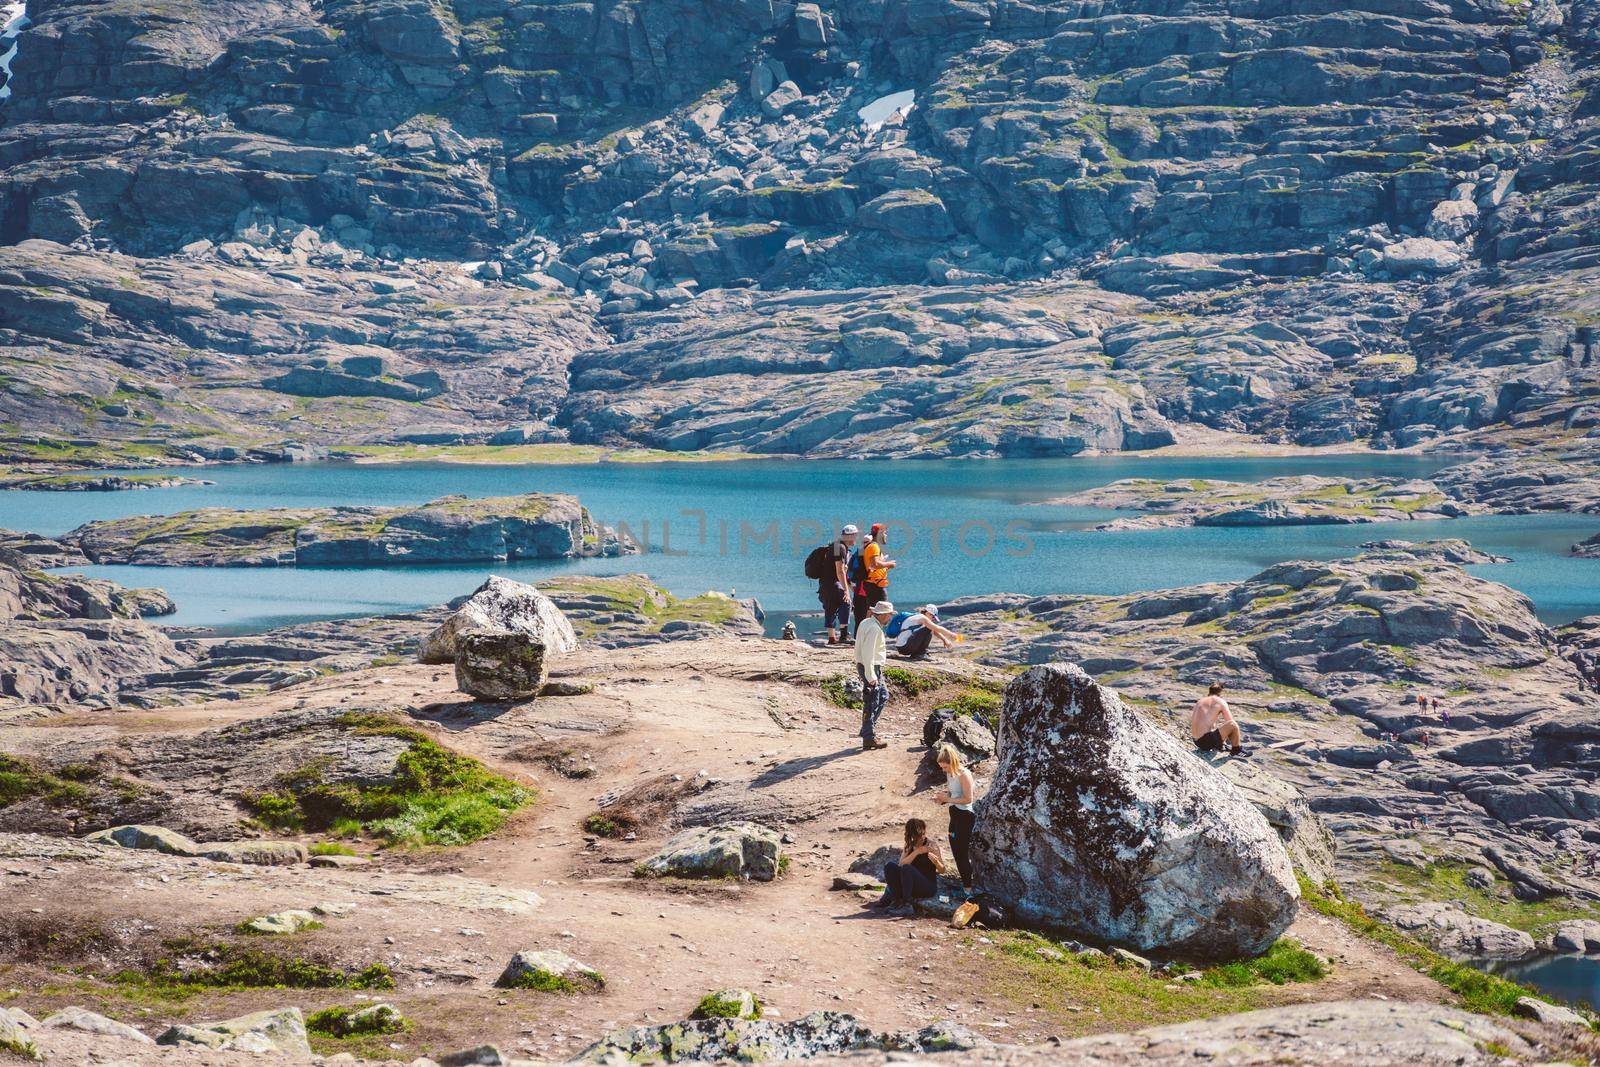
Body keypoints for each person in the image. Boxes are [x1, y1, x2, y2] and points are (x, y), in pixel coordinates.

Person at [874, 817, 945, 916]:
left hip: (927, 886)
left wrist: (937, 862)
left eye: (923, 834)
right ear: (911, 835)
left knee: (907, 868)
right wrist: (917, 852)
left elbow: (942, 870)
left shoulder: (932, 846)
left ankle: (907, 905)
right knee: (890, 866)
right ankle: (897, 900)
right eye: (919, 836)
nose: (922, 838)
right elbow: (901, 865)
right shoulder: (909, 845)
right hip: (910, 884)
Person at [934, 741, 977, 893]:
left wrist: (947, 799)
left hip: (965, 816)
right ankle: (965, 884)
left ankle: (968, 888)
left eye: (944, 766)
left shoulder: (964, 774)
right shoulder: (950, 773)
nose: (943, 770)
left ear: (951, 762)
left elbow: (968, 799)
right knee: (955, 850)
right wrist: (942, 798)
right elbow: (953, 794)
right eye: (942, 767)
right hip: (954, 815)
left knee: (962, 852)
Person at [854, 600, 894, 751]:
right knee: (872, 701)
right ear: (882, 615)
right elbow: (868, 652)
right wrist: (871, 675)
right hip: (870, 667)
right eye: (889, 615)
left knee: (882, 696)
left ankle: (867, 730)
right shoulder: (875, 629)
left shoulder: (866, 622)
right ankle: (869, 737)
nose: (890, 618)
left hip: (866, 665)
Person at [818, 523, 858, 645]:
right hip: (834, 583)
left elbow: (842, 572)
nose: (856, 538)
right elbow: (840, 571)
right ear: (849, 536)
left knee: (830, 608)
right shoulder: (839, 548)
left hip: (825, 584)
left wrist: (850, 586)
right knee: (846, 602)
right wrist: (847, 591)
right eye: (855, 535)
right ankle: (843, 636)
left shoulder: (837, 546)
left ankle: (831, 638)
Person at [852, 523, 895, 632]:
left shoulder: (870, 546)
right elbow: (875, 564)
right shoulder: (874, 546)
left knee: (872, 610)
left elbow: (872, 567)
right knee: (883, 612)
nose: (886, 536)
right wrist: (889, 564)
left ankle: (865, 633)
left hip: (872, 583)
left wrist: (884, 568)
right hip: (875, 585)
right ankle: (873, 634)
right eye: (885, 533)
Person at [890, 604, 959, 660]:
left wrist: (944, 639)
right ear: (928, 613)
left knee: (929, 628)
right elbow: (936, 628)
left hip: (902, 647)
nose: (933, 619)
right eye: (933, 617)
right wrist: (951, 634)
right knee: (928, 629)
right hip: (905, 647)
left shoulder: (917, 617)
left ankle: (917, 654)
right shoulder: (922, 618)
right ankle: (920, 654)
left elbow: (934, 630)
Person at [1190, 682, 1242, 756]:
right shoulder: (1220, 701)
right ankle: (1236, 750)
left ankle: (1219, 745)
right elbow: (1230, 721)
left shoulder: (1200, 701)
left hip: (1196, 740)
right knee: (1233, 725)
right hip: (1205, 742)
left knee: (1214, 726)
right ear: (1220, 693)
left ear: (1210, 691)